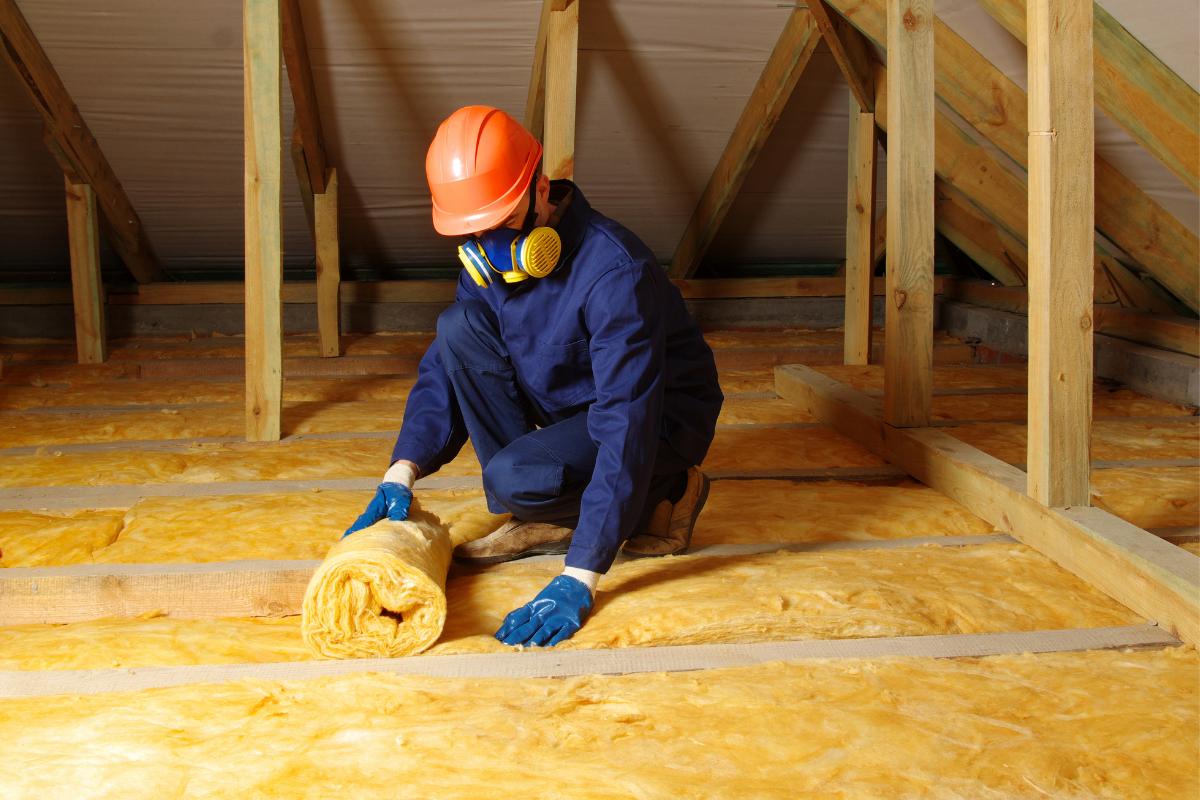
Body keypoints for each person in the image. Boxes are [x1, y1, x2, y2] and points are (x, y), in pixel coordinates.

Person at [344, 105, 723, 647]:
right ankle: (544, 504)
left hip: (657, 414)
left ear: (541, 190)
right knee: (457, 327)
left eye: (499, 224)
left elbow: (626, 418)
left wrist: (581, 575)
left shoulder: (615, 272)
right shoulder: (486, 258)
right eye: (471, 231)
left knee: (512, 478)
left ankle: (667, 489)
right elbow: (447, 367)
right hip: (570, 394)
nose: (485, 245)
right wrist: (400, 471)